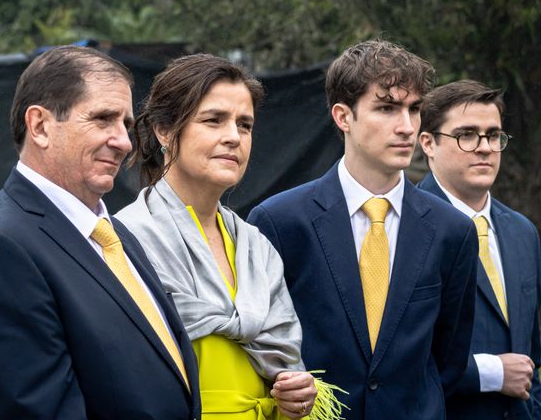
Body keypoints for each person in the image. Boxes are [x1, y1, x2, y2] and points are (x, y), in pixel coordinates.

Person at [0, 46, 201, 420]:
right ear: (40, 126)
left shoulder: (113, 235)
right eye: (102, 119)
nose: (124, 142)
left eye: (126, 124)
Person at [248, 40, 479, 420]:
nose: (406, 126)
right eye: (387, 108)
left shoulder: (452, 230)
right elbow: (262, 349)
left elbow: (448, 359)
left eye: (414, 109)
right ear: (343, 116)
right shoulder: (279, 221)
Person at [116, 54, 343, 420]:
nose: (233, 137)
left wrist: (293, 397)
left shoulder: (257, 246)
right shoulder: (125, 242)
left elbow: (281, 368)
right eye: (213, 120)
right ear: (164, 130)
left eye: (245, 125)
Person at [418, 79, 541, 419]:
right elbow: (396, 358)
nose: (485, 147)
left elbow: (531, 354)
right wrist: (490, 373)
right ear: (428, 143)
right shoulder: (406, 227)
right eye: (467, 135)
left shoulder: (522, 231)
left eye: (493, 135)